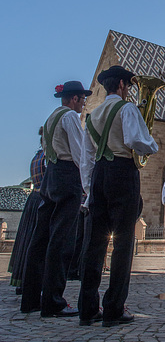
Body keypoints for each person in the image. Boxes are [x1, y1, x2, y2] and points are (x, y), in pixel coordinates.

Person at [78, 65, 158, 328]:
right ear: (123, 85)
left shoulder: (91, 115)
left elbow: (86, 158)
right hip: (123, 173)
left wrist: (90, 191)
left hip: (99, 175)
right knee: (123, 242)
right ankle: (114, 308)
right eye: (129, 86)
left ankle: (88, 308)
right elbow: (138, 140)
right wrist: (153, 143)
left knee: (94, 244)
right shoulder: (127, 109)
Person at [21, 81, 91, 317]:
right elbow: (79, 152)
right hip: (66, 175)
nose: (83, 104)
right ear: (74, 99)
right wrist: (86, 184)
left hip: (50, 175)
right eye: (82, 100)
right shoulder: (70, 117)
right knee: (62, 240)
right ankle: (53, 301)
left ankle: (30, 298)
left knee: (40, 238)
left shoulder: (51, 118)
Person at [8, 132, 46, 293]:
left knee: (28, 239)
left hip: (33, 199)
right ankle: (32, 282)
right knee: (38, 241)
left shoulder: (36, 156)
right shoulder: (46, 157)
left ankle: (23, 279)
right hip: (42, 198)